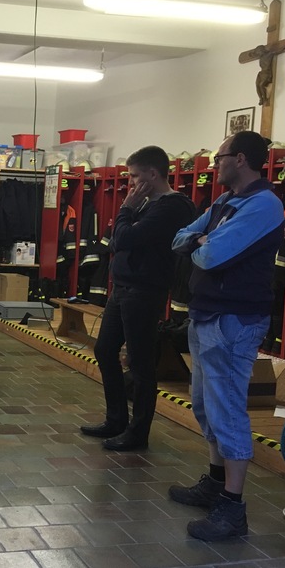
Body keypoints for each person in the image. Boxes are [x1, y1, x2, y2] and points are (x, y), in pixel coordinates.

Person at [170, 131, 283, 541]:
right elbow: (180, 238)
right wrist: (198, 240)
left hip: (234, 320)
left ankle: (233, 509)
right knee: (206, 406)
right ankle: (216, 484)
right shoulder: (224, 202)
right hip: (206, 314)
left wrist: (201, 243)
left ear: (240, 159)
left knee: (228, 411)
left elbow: (211, 255)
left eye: (220, 158)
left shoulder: (264, 205)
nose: (215, 165)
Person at [81, 146, 195, 451]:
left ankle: (137, 432)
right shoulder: (145, 204)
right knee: (105, 350)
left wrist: (126, 209)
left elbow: (124, 238)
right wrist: (129, 217)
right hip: (123, 289)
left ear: (152, 174)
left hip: (144, 292)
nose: (130, 182)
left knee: (141, 362)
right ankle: (116, 419)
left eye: (134, 176)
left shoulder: (172, 206)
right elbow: (118, 241)